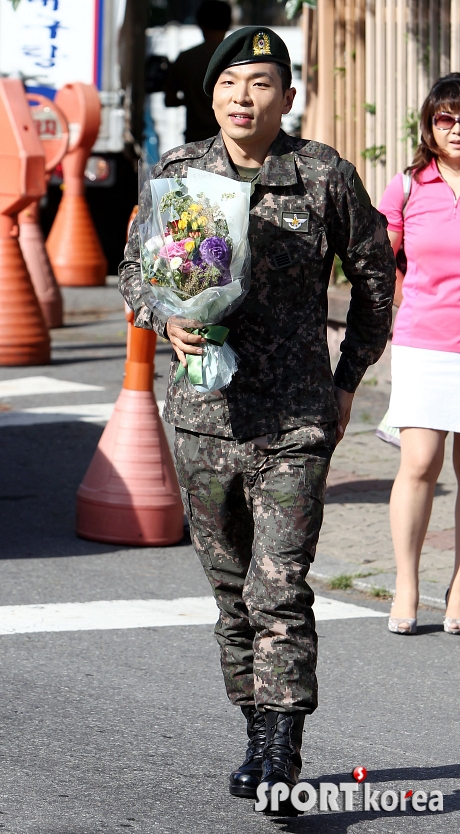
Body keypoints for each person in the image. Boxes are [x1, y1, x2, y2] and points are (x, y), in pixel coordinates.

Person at [119, 26, 395, 816]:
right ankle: (254, 724)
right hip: (204, 418)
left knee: (280, 589)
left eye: (262, 83)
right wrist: (163, 318)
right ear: (212, 96)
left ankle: (281, 744)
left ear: (288, 97)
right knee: (232, 594)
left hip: (295, 422)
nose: (245, 97)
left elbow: (376, 277)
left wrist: (346, 384)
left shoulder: (320, 176)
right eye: (231, 83)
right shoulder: (180, 175)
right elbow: (136, 269)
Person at [379, 73, 460, 637]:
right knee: (419, 464)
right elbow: (377, 266)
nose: (456, 130)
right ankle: (407, 584)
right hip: (423, 342)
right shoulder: (409, 186)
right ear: (430, 125)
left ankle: (459, 587)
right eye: (446, 119)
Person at [164, 0, 232, 142]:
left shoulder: (186, 58)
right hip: (230, 141)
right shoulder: (236, 58)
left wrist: (191, 100)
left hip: (195, 142)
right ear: (229, 24)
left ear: (200, 23)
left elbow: (169, 100)